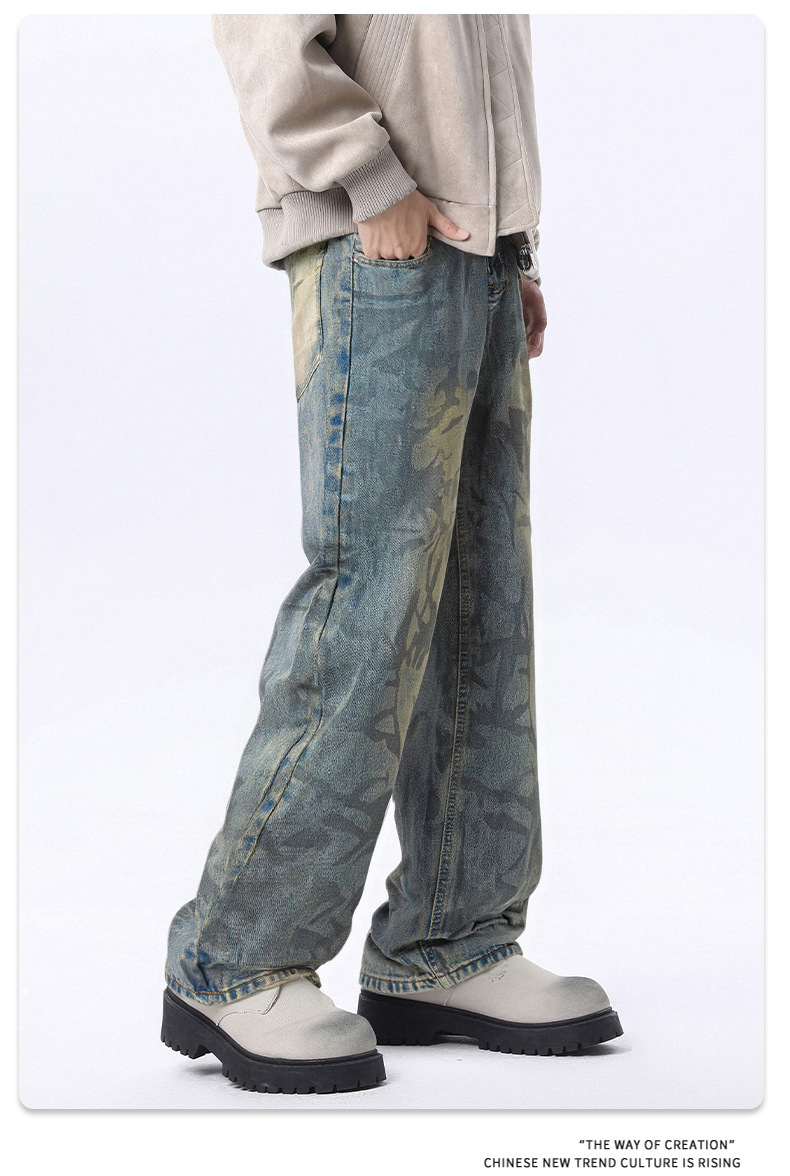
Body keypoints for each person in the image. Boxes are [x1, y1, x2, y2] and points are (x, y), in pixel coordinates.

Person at [161, 13, 623, 1095]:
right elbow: (266, 29)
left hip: (476, 249)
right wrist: (369, 179)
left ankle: (448, 940)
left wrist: (513, 246)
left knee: (481, 604)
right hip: (378, 237)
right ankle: (234, 957)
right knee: (368, 598)